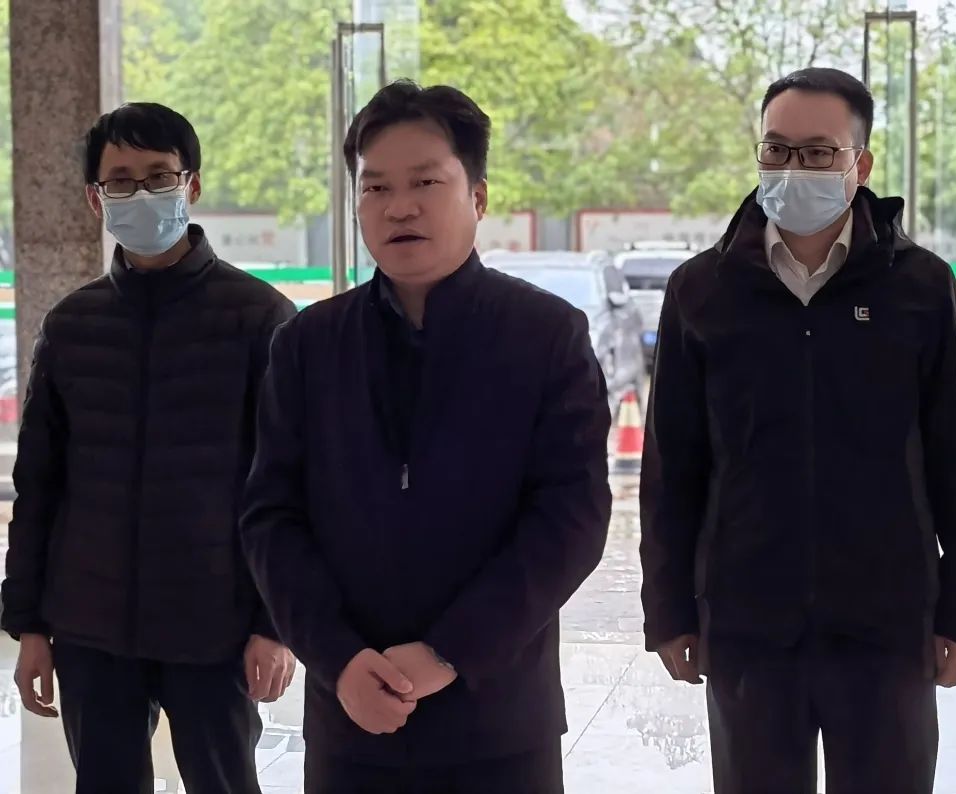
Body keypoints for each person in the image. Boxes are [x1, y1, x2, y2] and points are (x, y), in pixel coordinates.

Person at [241, 80, 612, 794]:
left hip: (498, 715)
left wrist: (448, 652)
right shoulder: (308, 344)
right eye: (375, 187)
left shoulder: (545, 335)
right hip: (352, 712)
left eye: (426, 183)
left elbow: (571, 518)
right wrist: (339, 659)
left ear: (478, 197)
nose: (399, 206)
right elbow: (270, 516)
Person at [640, 67, 956, 794]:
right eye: (776, 149)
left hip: (888, 622)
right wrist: (668, 610)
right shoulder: (702, 290)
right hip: (746, 622)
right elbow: (673, 468)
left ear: (860, 165)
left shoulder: (920, 287)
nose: (792, 168)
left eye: (817, 152)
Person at [0, 103, 298, 794]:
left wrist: (275, 623)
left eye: (159, 176)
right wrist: (29, 623)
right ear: (95, 198)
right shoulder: (72, 325)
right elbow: (39, 485)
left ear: (191, 185)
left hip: (216, 627)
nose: (141, 194)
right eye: (121, 180)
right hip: (90, 628)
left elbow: (290, 486)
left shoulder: (260, 319)